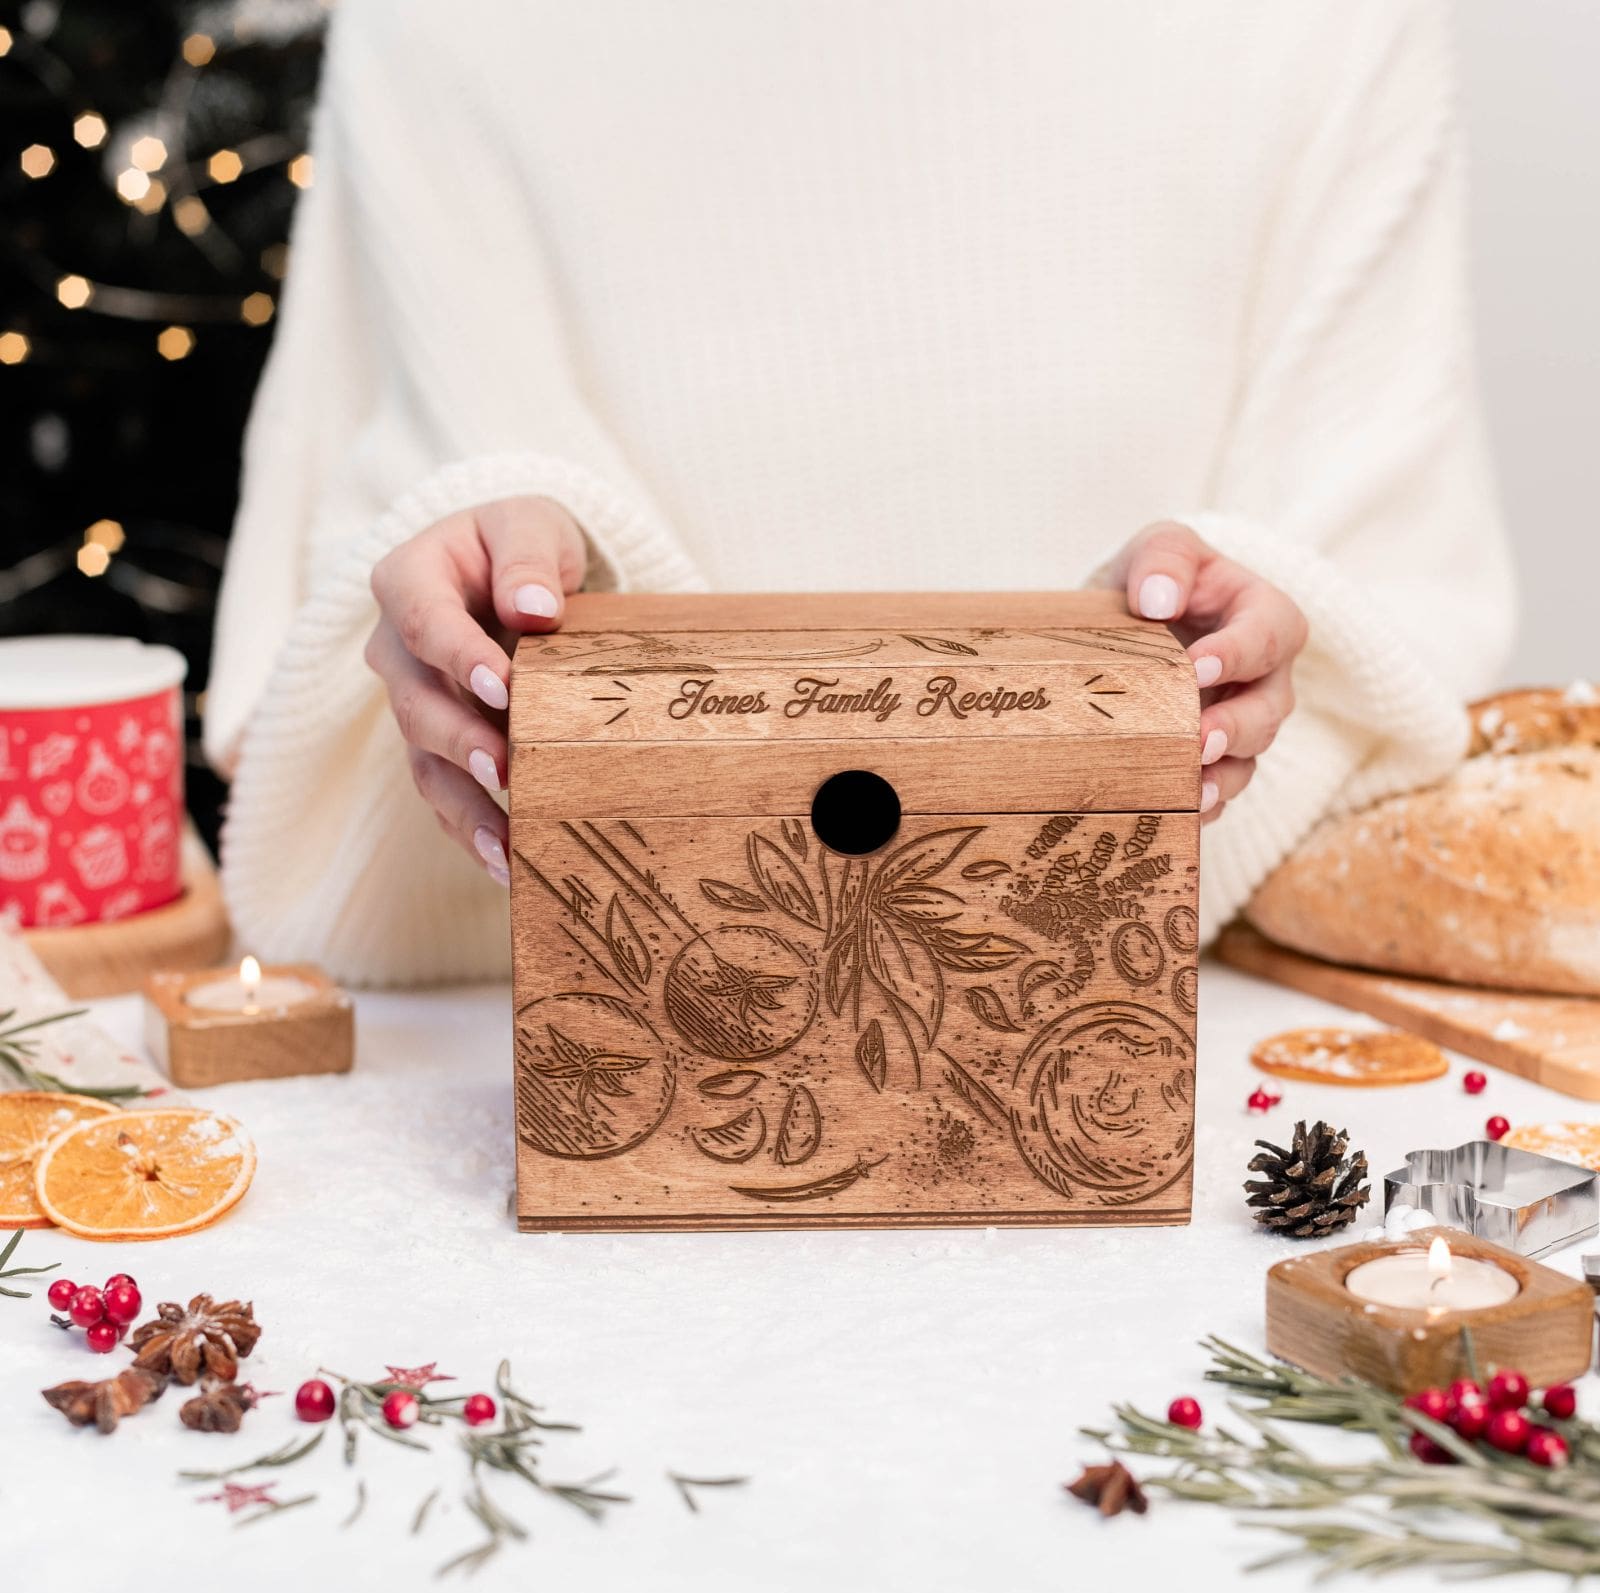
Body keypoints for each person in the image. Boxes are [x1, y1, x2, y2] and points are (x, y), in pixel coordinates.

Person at [205, 0, 1513, 987]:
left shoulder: (1330, 29)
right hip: (566, 1075)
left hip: (1189, 1081)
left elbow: (1392, 616)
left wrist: (1225, 648)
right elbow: (320, 786)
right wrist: (490, 614)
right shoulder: (439, 35)